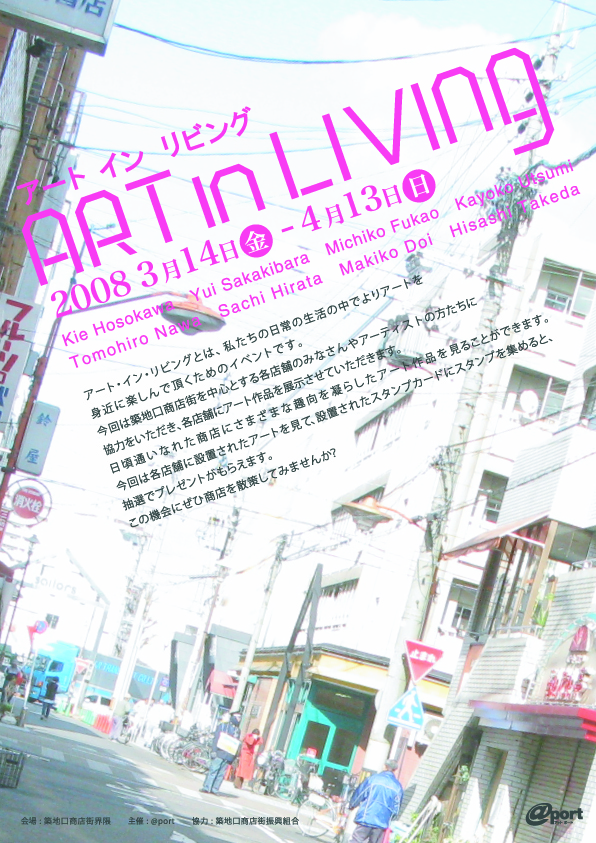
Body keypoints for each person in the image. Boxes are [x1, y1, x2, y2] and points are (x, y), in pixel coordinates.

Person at [348, 760, 404, 843]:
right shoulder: (397, 786)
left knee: (356, 840)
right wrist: (390, 818)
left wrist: (352, 805)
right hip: (382, 822)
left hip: (366, 816)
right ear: (395, 770)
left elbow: (360, 794)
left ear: (384, 766)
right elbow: (396, 808)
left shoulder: (372, 779)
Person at [202, 713, 242, 795]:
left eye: (240, 718)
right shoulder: (223, 726)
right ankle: (207, 787)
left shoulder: (237, 730)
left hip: (228, 755)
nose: (239, 719)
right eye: (238, 717)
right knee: (213, 770)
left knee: (221, 773)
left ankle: (215, 789)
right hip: (219, 752)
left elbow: (236, 744)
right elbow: (216, 738)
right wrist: (214, 750)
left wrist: (233, 757)